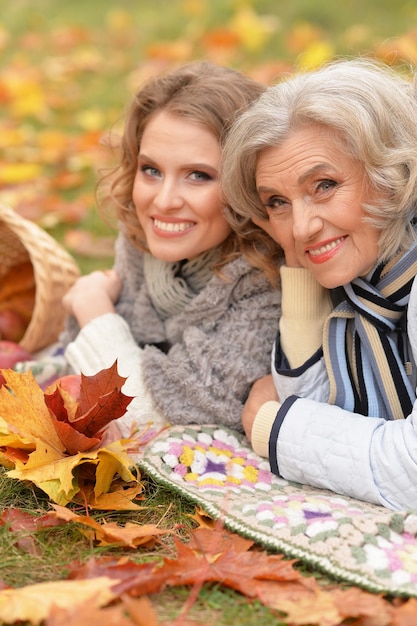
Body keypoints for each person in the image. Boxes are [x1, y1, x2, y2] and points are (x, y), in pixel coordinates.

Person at [221, 57, 417, 511]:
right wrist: (298, 267)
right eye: (277, 202)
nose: (302, 226)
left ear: (393, 173)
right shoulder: (367, 278)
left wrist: (275, 429)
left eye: (324, 185)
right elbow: (318, 404)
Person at [60, 61, 282, 438]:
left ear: (245, 183)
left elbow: (145, 419)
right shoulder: (139, 240)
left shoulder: (266, 283)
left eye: (198, 175)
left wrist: (94, 312)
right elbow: (75, 375)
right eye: (151, 170)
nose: (163, 201)